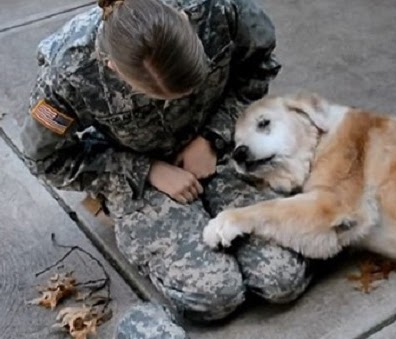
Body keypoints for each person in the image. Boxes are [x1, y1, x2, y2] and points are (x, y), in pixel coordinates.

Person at [19, 0, 312, 337]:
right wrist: (146, 170)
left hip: (221, 143)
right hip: (140, 174)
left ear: (186, 20)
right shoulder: (70, 71)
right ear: (112, 67)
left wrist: (212, 138)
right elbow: (46, 158)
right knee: (216, 297)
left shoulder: (219, 8)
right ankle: (135, 326)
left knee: (283, 279)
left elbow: (258, 67)